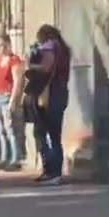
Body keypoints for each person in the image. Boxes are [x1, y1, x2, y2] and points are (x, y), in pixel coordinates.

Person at [24, 24, 72, 185]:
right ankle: (53, 172)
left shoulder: (49, 47)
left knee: (43, 133)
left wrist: (30, 65)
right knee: (53, 135)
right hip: (59, 94)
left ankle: (51, 172)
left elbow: (46, 68)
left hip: (49, 95)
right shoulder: (63, 49)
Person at [0, 33, 24, 170]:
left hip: (7, 96)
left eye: (3, 45)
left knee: (10, 129)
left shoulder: (14, 60)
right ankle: (4, 157)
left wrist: (13, 101)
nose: (1, 48)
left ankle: (15, 158)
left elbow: (17, 82)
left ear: (9, 45)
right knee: (0, 130)